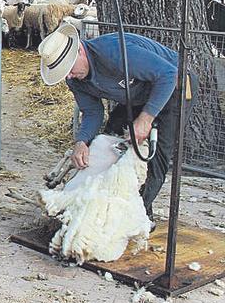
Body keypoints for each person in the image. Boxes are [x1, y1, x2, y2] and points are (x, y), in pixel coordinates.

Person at [38, 25, 197, 230]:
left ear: (79, 51)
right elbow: (93, 112)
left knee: (155, 155)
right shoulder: (75, 80)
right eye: (63, 73)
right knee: (109, 139)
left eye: (68, 68)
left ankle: (136, 215)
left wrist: (146, 119)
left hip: (175, 86)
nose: (68, 76)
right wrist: (82, 141)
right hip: (137, 93)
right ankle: (99, 204)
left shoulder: (115, 52)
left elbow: (168, 74)